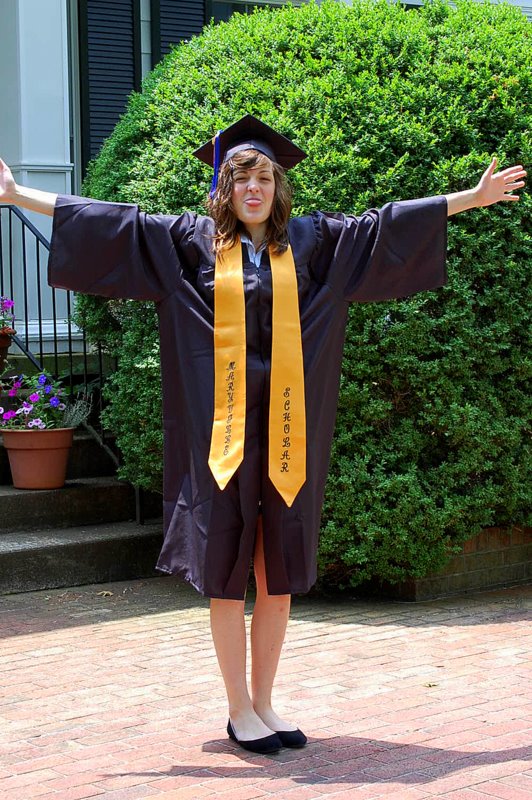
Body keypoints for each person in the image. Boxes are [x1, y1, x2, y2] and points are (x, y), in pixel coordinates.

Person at [0, 115, 525, 754]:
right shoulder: (186, 243)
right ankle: (237, 709)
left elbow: (383, 227)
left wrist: (470, 198)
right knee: (227, 568)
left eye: (265, 178)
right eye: (242, 178)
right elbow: (112, 223)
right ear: (224, 188)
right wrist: (18, 194)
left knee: (278, 568)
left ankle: (267, 701)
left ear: (279, 188)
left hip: (289, 435)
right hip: (218, 440)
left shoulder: (313, 243)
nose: (255, 188)